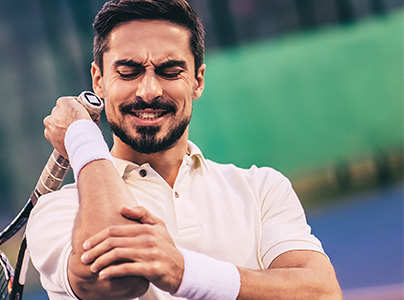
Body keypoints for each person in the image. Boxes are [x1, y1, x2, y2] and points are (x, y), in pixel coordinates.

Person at [25, 0, 342, 299]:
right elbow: (114, 278)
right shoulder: (60, 210)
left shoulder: (261, 189)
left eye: (170, 71)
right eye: (128, 71)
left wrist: (183, 272)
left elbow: (323, 293)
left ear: (197, 80)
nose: (149, 90)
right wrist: (83, 138)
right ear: (99, 80)